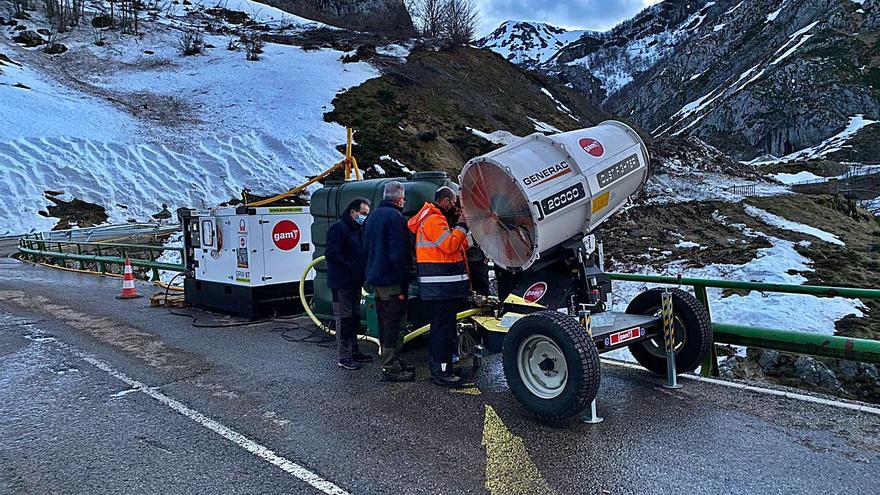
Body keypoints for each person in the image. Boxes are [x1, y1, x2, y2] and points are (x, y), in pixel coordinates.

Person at [407, 186, 469, 387]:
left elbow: (455, 247)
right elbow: (450, 246)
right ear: (445, 201)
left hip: (444, 288)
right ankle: (441, 370)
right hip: (441, 288)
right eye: (453, 204)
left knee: (445, 328)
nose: (455, 209)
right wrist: (461, 226)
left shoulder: (436, 220)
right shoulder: (434, 220)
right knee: (442, 330)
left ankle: (446, 366)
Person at [364, 181, 416, 382]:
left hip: (375, 279)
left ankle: (392, 360)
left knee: (384, 321)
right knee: (395, 323)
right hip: (392, 281)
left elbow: (366, 247)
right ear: (399, 198)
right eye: (403, 198)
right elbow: (398, 254)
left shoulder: (373, 216)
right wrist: (405, 280)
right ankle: (390, 366)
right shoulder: (395, 218)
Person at [325, 197, 373, 370]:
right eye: (362, 213)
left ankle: (354, 350)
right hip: (342, 283)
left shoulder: (359, 229)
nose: (364, 217)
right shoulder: (339, 229)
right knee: (344, 320)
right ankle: (344, 356)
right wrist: (349, 267)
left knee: (354, 318)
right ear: (353, 212)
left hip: (355, 282)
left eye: (367, 214)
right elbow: (331, 253)